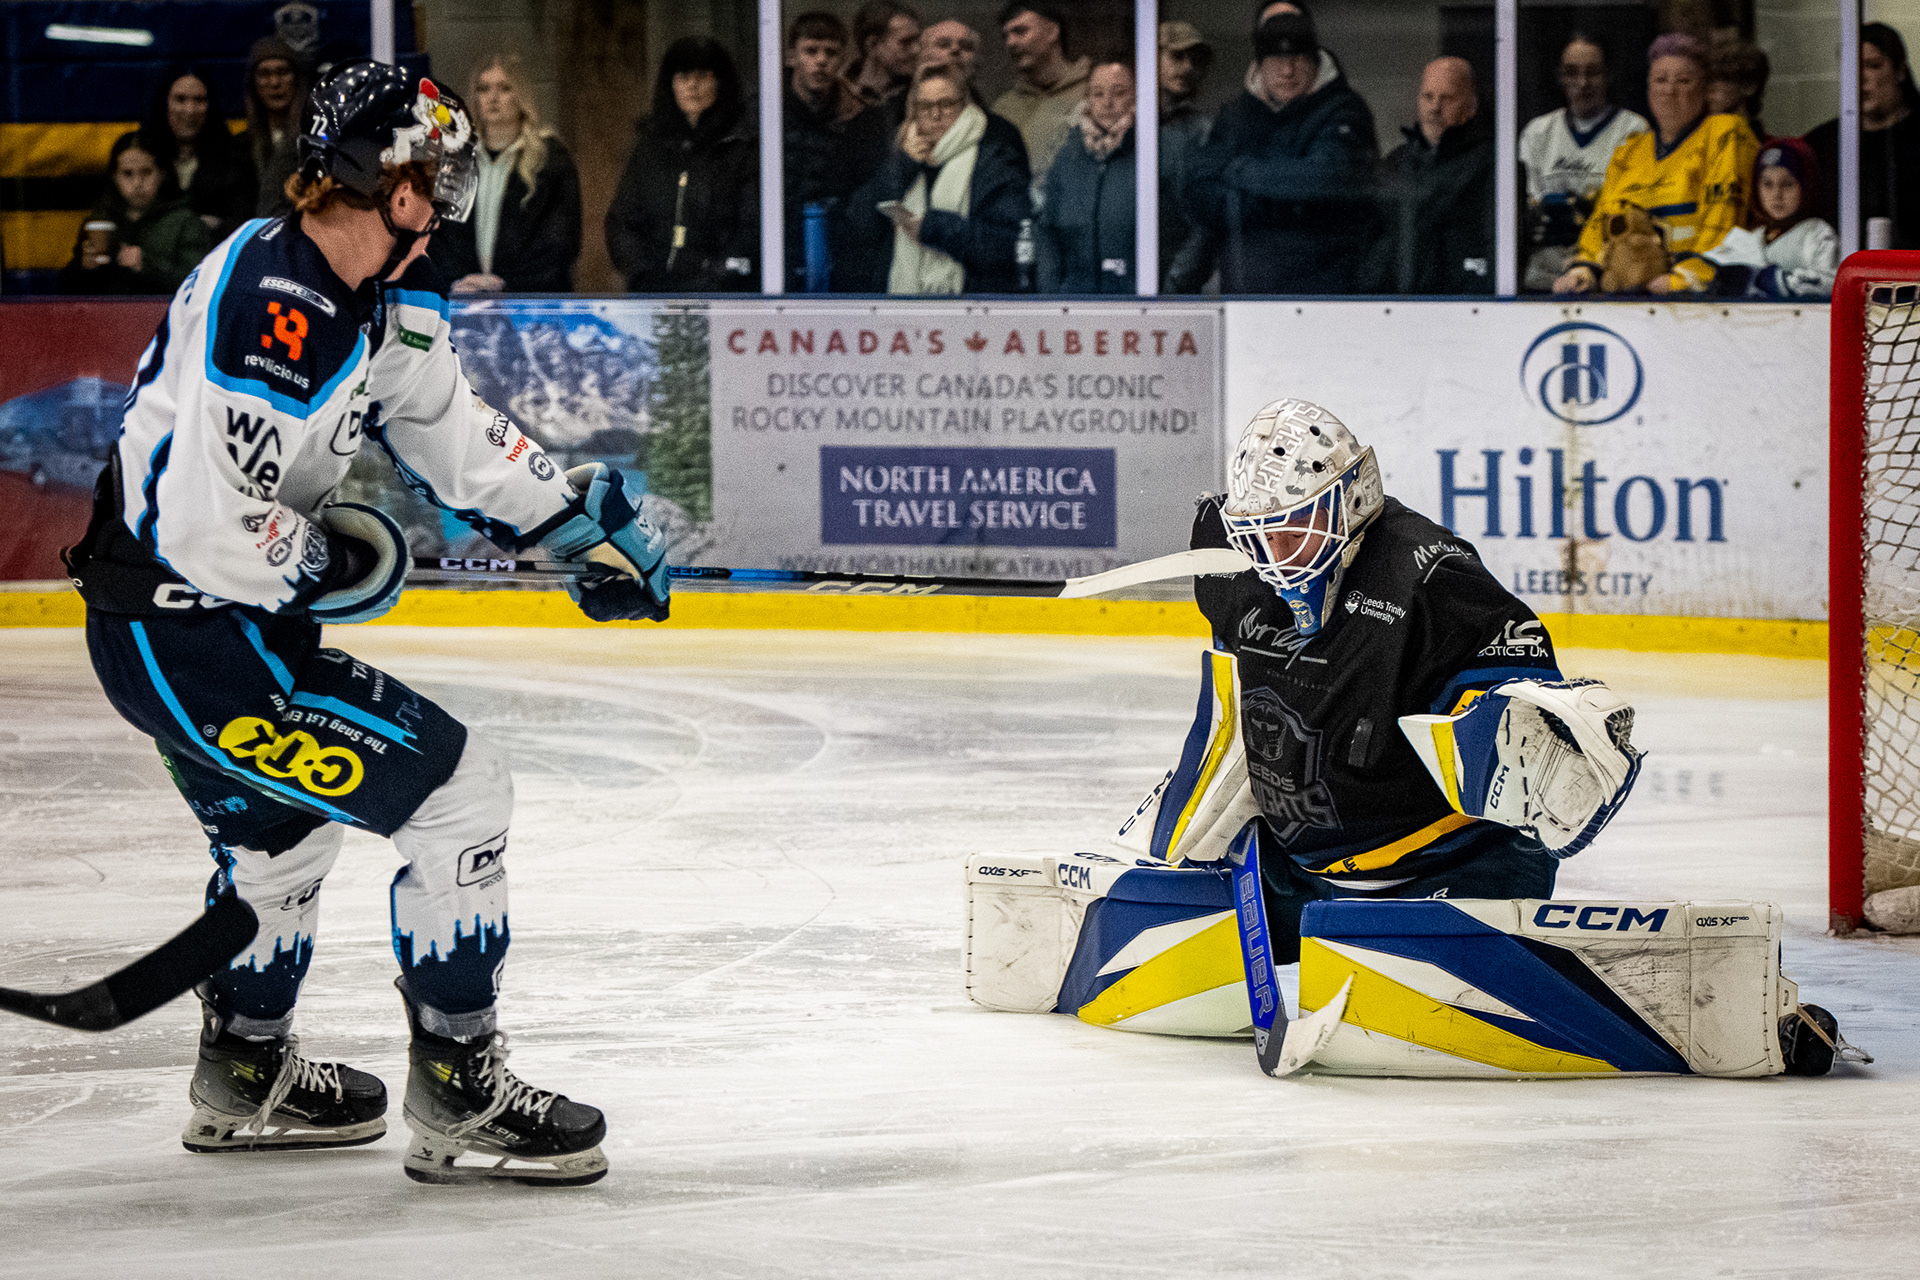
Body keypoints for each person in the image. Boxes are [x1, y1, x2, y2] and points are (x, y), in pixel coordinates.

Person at [62, 61, 670, 1186]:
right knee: (459, 794)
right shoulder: (271, 303)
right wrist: (331, 559)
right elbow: (205, 529)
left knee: (281, 840)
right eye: (437, 173)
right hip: (189, 641)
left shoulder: (387, 289)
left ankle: (244, 1070)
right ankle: (461, 1087)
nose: (448, 196)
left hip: (205, 634)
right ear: (386, 182)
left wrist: (568, 522)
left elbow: (449, 429)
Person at [1183, 398, 1643, 966]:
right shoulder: (1235, 565)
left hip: (1448, 872)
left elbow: (1520, 712)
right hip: (1300, 876)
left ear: (1350, 500)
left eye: (1293, 527)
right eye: (1258, 534)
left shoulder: (1428, 577)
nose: (1274, 555)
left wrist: (1544, 741)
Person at [1182, 11, 1379, 294]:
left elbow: (1326, 179)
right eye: (1276, 59)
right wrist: (1287, 204)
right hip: (1244, 295)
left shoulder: (1344, 110)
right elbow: (1198, 192)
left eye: (1297, 58)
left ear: (1315, 60)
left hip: (1323, 295)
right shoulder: (1235, 114)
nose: (1287, 71)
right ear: (1260, 65)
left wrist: (1239, 170)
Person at [1553, 33, 1757, 295]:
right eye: (1660, 80)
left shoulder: (1725, 134)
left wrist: (1690, 276)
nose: (1669, 90)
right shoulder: (1630, 151)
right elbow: (1600, 223)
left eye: (1684, 81)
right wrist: (1585, 270)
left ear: (1704, 89)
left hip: (1698, 299)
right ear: (1648, 87)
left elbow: (1724, 221)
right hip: (1630, 291)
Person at [851, 64, 1029, 294]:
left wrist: (933, 228)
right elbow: (859, 225)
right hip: (905, 307)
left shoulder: (994, 157)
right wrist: (904, 165)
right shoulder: (901, 151)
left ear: (964, 106)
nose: (935, 115)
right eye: (925, 106)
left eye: (946, 104)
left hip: (973, 304)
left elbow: (1010, 245)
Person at [606, 38, 759, 292]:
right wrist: (640, 272)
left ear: (720, 82)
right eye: (683, 76)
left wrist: (717, 277)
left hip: (722, 295)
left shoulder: (741, 146)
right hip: (654, 292)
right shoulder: (651, 145)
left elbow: (752, 228)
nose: (692, 85)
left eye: (702, 75)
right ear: (671, 84)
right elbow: (622, 221)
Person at [431, 55, 582, 293]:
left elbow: (560, 241)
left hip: (533, 299)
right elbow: (439, 235)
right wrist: (458, 281)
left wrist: (507, 283)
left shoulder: (551, 158)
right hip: (464, 297)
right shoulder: (456, 158)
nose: (493, 98)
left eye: (505, 88)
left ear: (521, 96)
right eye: (483, 89)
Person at [1517, 34, 1649, 292]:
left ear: (1609, 75)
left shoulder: (1632, 129)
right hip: (1543, 272)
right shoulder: (1538, 132)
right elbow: (1530, 207)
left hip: (1603, 270)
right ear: (1560, 77)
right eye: (1572, 72)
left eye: (1593, 72)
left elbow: (1630, 211)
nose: (1582, 83)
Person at [782, 12, 893, 292]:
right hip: (776, 251)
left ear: (843, 58)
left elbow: (869, 195)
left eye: (831, 53)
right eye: (811, 51)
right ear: (792, 56)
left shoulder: (863, 119)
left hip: (841, 253)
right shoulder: (764, 110)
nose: (821, 61)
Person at [1368, 56, 1495, 294]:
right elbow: (1374, 237)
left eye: (1447, 98)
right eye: (1428, 97)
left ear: (1471, 106)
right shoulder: (1395, 163)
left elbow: (1492, 247)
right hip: (1395, 306)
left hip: (1465, 305)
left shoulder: (1493, 165)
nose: (1435, 107)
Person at [1807, 23, 1920, 250]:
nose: (1860, 77)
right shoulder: (1820, 144)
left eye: (1872, 65)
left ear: (1899, 71)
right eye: (1851, 67)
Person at [59, 132, 214, 295]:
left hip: (163, 310)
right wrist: (84, 269)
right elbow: (65, 291)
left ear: (162, 173)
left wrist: (147, 264)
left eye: (146, 172)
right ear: (114, 177)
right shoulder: (99, 221)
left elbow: (199, 286)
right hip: (106, 310)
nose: (137, 183)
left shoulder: (185, 222)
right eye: (127, 173)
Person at [1038, 57, 1136, 292]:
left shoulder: (1150, 150)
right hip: (1074, 298)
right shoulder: (1067, 155)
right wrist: (1052, 292)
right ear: (1088, 100)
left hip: (1134, 300)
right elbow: (1047, 229)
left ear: (1135, 97)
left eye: (1119, 93)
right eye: (1098, 94)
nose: (1107, 102)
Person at [1704, 138, 1837, 299]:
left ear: (1806, 185)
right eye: (1767, 184)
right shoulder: (1749, 238)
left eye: (1788, 184)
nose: (1776, 194)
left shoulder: (1817, 233)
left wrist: (1776, 281)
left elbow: (1831, 284)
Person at [138, 65, 258, 241]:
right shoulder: (141, 154)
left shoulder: (235, 159)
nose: (190, 110)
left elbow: (244, 225)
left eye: (199, 100)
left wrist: (217, 228)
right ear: (164, 103)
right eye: (180, 99)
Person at [992, 3, 1092, 194]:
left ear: (1052, 32)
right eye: (1006, 36)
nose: (1010, 43)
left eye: (1020, 31)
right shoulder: (1003, 110)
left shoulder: (1095, 93)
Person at [1158, 21, 1215, 293]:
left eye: (1196, 61)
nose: (1188, 68)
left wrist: (1179, 279)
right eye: (1177, 56)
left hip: (1174, 281)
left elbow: (1206, 216)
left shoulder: (1201, 131)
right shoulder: (1124, 122)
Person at [242, 37, 311, 217]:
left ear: (296, 79)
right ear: (253, 83)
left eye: (283, 72)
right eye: (264, 74)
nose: (274, 83)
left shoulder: (315, 140)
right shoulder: (239, 146)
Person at [850, 0, 923, 123]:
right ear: (872, 44)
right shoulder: (838, 94)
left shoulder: (923, 94)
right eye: (905, 42)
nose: (917, 50)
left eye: (917, 41)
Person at [1708, 34, 1768, 140]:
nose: (1711, 87)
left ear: (1749, 86)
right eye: (1709, 79)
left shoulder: (1767, 146)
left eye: (1724, 78)